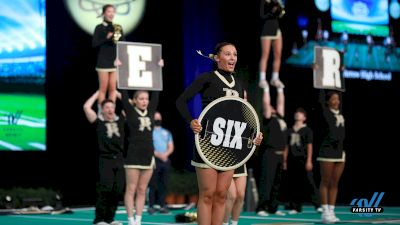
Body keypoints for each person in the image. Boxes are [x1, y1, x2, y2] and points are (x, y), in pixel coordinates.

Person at [176, 42, 263, 225]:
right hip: (208, 142)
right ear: (217, 58)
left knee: (222, 196)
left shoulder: (239, 85)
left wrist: (253, 135)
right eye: (228, 54)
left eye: (235, 54)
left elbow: (241, 117)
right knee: (207, 195)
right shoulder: (207, 78)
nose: (233, 58)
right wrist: (191, 121)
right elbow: (181, 101)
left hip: (230, 145)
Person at [83, 91, 125, 225]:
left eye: (112, 107)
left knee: (117, 190)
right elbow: (86, 107)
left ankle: (110, 218)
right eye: (107, 107)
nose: (110, 109)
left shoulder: (121, 121)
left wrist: (117, 93)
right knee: (106, 189)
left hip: (119, 159)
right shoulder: (98, 122)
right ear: (102, 110)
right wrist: (99, 92)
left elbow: (131, 106)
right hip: (105, 159)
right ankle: (99, 219)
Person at [121, 89, 159, 225]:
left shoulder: (151, 111)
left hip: (148, 156)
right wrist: (121, 71)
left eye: (146, 99)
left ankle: (138, 220)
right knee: (131, 189)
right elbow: (124, 94)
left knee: (142, 189)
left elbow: (156, 93)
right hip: (133, 156)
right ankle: (131, 220)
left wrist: (158, 68)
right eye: (141, 99)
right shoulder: (130, 112)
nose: (144, 101)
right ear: (135, 101)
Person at [256, 81, 287, 216]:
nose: (273, 107)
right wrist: (267, 89)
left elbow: (281, 104)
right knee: (266, 182)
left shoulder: (280, 117)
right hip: (269, 154)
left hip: (280, 155)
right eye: (271, 107)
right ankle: (261, 208)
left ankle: (273, 207)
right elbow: (266, 104)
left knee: (276, 183)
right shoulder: (268, 118)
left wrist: (280, 89)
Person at [284, 107, 321, 215]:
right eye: (297, 113)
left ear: (304, 118)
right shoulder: (289, 130)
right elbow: (286, 146)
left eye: (300, 114)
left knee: (310, 183)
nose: (297, 115)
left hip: (303, 159)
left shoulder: (307, 130)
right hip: (292, 159)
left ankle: (318, 205)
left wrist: (309, 160)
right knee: (294, 184)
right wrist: (285, 161)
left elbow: (310, 146)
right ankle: (295, 207)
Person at [317, 90, 345, 223]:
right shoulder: (325, 113)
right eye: (333, 99)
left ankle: (332, 211)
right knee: (326, 181)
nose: (336, 101)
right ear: (328, 101)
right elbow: (321, 99)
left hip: (340, 152)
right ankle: (324, 212)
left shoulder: (340, 114)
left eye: (338, 99)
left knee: (335, 183)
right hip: (327, 151)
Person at [92, 4, 125, 105]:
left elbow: (123, 44)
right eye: (109, 11)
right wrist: (106, 38)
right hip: (103, 61)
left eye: (113, 11)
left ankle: (111, 110)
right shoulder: (99, 27)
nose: (111, 14)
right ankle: (102, 112)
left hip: (114, 61)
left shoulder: (118, 28)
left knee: (113, 88)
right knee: (103, 88)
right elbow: (94, 44)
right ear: (104, 13)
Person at [147, 111, 174, 214]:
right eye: (155, 118)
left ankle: (163, 205)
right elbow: (148, 147)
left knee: (164, 184)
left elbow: (171, 146)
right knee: (152, 184)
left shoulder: (166, 132)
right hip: (154, 160)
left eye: (159, 118)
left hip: (165, 160)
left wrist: (165, 155)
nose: (157, 119)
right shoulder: (149, 132)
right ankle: (151, 206)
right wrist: (158, 155)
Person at [259, 0, 285, 90]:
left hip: (276, 29)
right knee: (265, 55)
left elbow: (282, 14)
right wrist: (272, 11)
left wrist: (279, 8)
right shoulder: (265, 2)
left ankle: (275, 78)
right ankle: (262, 79)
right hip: (267, 29)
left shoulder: (277, 2)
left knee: (278, 54)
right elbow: (262, 16)